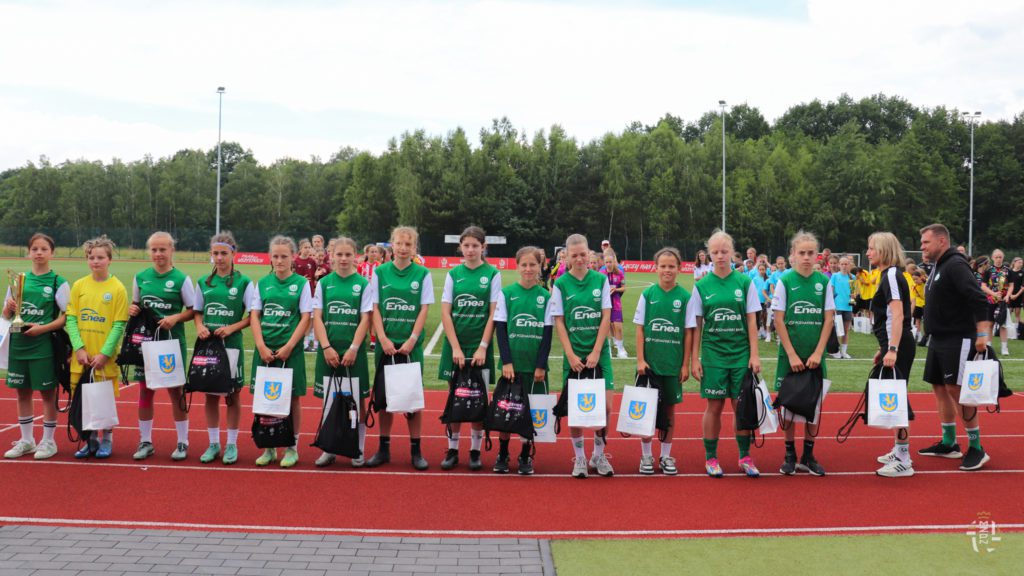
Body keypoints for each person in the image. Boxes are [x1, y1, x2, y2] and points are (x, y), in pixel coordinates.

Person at [687, 230, 762, 478]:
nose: (720, 256)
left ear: (732, 252)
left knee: (741, 406)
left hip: (740, 355)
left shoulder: (745, 283)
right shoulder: (701, 286)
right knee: (714, 405)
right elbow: (697, 325)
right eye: (715, 252)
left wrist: (754, 355)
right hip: (713, 355)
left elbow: (752, 320)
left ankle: (745, 457)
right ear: (709, 254)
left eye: (724, 251)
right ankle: (711, 457)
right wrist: (694, 359)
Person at [917, 224, 992, 471]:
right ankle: (949, 442)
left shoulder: (956, 265)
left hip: (957, 338)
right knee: (940, 388)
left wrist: (982, 333)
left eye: (926, 242)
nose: (922, 247)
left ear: (941, 241)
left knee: (957, 389)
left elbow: (979, 298)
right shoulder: (938, 266)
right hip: (938, 338)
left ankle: (977, 447)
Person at [364, 226, 433, 470]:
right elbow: (375, 307)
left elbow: (424, 308)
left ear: (414, 247)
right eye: (399, 243)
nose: (403, 248)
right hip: (386, 346)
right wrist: (381, 338)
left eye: (408, 244)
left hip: (410, 346)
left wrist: (412, 339)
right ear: (391, 245)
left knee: (412, 399)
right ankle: (383, 449)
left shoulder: (423, 274)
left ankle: (416, 450)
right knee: (384, 400)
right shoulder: (380, 272)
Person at [549, 233, 614, 478]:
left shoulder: (600, 280)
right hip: (574, 355)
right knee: (576, 411)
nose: (579, 259)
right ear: (566, 257)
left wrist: (596, 351)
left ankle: (598, 455)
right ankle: (579, 458)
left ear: (589, 254)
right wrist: (570, 354)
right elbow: (559, 320)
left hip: (600, 354)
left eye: (583, 254)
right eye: (574, 255)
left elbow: (606, 316)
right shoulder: (561, 284)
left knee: (605, 408)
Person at [2, 233, 70, 460]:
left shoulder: (58, 282)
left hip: (43, 345)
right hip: (18, 344)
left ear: (52, 253)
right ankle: (27, 440)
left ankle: (48, 441)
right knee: (22, 392)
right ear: (28, 252)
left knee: (47, 393)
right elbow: (6, 315)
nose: (39, 253)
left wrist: (42, 328)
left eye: (44, 249)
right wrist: (9, 308)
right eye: (35, 249)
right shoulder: (18, 280)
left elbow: (67, 317)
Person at [129, 232, 195, 461]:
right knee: (145, 391)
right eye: (154, 250)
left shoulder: (181, 279)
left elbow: (193, 310)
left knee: (176, 392)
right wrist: (133, 309)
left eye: (162, 249)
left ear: (171, 250)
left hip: (171, 344)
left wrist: (176, 317)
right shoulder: (140, 277)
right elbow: (136, 305)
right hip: (146, 345)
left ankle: (183, 441)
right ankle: (145, 441)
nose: (158, 254)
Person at [772, 231, 834, 476]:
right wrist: (791, 354)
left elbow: (828, 319)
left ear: (817, 255)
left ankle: (808, 455)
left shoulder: (823, 282)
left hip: (815, 358)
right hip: (790, 358)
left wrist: (818, 352)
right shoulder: (785, 281)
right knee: (788, 407)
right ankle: (790, 454)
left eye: (810, 253)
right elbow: (778, 320)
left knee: (813, 407)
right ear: (793, 255)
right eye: (802, 253)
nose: (806, 257)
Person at [438, 226, 500, 471]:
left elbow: (493, 313)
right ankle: (452, 449)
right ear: (460, 247)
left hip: (479, 346)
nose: (471, 250)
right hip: (455, 345)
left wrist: (483, 347)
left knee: (478, 399)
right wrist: (455, 347)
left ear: (483, 247)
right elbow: (446, 312)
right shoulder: (453, 274)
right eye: (467, 245)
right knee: (455, 397)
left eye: (475, 245)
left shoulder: (492, 274)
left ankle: (475, 451)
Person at [250, 235, 313, 468]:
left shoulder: (301, 284)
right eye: (275, 256)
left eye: (284, 256)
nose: (279, 260)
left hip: (290, 351)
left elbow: (306, 317)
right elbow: (255, 315)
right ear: (270, 257)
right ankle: (269, 447)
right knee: (266, 399)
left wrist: (289, 346)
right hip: (265, 350)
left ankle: (292, 447)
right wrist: (260, 345)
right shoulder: (263, 283)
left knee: (293, 399)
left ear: (292, 257)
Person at [64, 236, 129, 458]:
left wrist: (105, 353)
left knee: (103, 400)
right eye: (91, 257)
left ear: (109, 260)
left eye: (100, 257)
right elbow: (71, 319)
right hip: (81, 357)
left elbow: (119, 324)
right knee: (84, 399)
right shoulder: (79, 285)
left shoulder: (117, 288)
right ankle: (90, 440)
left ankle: (107, 439)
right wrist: (79, 348)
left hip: (104, 358)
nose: (95, 261)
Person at [193, 232, 254, 465]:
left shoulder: (244, 282)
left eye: (224, 253)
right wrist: (199, 326)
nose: (219, 258)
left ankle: (231, 444)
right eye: (215, 253)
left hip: (232, 347)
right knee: (210, 395)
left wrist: (231, 328)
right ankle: (213, 443)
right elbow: (197, 311)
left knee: (233, 395)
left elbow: (252, 316)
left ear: (233, 254)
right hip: (209, 347)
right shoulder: (203, 282)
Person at [312, 237, 372, 468]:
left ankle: (358, 448)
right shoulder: (325, 283)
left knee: (358, 403)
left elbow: (365, 319)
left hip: (353, 354)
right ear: (332, 256)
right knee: (329, 401)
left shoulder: (363, 284)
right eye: (339, 254)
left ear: (355, 256)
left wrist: (354, 348)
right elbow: (317, 317)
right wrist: (326, 347)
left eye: (348, 254)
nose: (344, 258)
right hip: (328, 353)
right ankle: (329, 448)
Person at [493, 246, 552, 475]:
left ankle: (526, 454)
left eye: (533, 264)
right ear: (517, 267)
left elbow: (547, 334)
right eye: (524, 265)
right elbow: (500, 329)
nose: (528, 269)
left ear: (540, 266)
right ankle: (503, 452)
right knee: (507, 410)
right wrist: (506, 362)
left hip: (535, 367)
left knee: (532, 412)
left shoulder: (546, 297)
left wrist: (541, 365)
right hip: (512, 366)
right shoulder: (507, 293)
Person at [633, 247, 691, 475]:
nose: (667, 270)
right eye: (663, 266)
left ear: (679, 268)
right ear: (655, 268)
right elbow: (640, 329)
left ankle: (666, 456)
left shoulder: (685, 297)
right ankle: (646, 455)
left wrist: (685, 364)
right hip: (649, 366)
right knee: (646, 411)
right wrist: (640, 360)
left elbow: (688, 332)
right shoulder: (648, 295)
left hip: (672, 365)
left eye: (671, 266)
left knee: (669, 411)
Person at [867, 232, 917, 477]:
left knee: (897, 399)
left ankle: (904, 458)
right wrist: (884, 347)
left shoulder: (891, 276)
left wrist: (893, 348)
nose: (868, 253)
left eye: (872, 248)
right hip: (894, 343)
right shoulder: (888, 275)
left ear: (884, 250)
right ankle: (899, 450)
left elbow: (898, 315)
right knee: (896, 397)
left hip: (899, 345)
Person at [981, 249, 1013, 356]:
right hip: (990, 300)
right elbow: (983, 286)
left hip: (1003, 301)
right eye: (996, 257)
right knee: (989, 324)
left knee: (1003, 325)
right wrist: (993, 294)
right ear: (992, 258)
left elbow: (1011, 286)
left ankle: (1004, 348)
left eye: (1000, 257)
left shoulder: (1008, 270)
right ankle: (988, 347)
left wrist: (1007, 296)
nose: (998, 259)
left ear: (1003, 258)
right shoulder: (988, 270)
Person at [602, 250, 628, 359]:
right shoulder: (601, 273)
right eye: (606, 262)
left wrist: (615, 289)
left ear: (614, 262)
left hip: (616, 302)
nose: (608, 264)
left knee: (618, 326)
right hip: (605, 303)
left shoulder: (620, 273)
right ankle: (608, 349)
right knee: (607, 326)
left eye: (610, 262)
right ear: (604, 263)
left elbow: (624, 288)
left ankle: (620, 349)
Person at [829, 257, 855, 359]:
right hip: (837, 307)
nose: (844, 266)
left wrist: (854, 296)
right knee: (836, 330)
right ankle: (835, 351)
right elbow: (831, 291)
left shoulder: (852, 277)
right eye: (842, 264)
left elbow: (854, 292)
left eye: (846, 264)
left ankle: (844, 352)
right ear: (839, 265)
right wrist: (832, 305)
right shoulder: (835, 276)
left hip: (848, 307)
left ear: (849, 265)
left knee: (845, 330)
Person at [752, 262, 770, 341]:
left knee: (765, 317)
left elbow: (769, 291)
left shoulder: (768, 279)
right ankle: (758, 332)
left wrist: (767, 299)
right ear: (758, 270)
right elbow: (753, 290)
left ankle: (766, 332)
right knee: (757, 317)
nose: (762, 271)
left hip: (765, 301)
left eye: (763, 269)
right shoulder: (755, 279)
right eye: (760, 269)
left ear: (766, 270)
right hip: (757, 301)